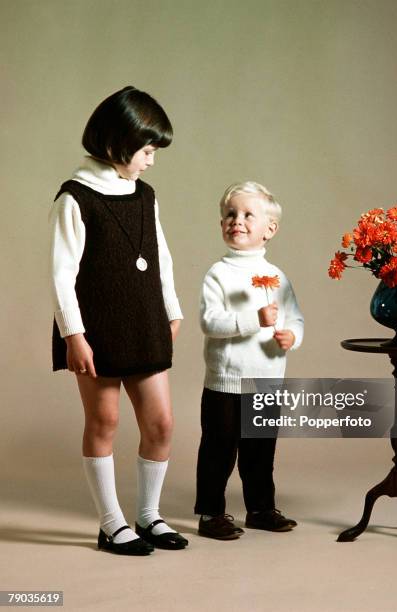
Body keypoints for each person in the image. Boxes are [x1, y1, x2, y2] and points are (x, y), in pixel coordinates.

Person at [49, 86, 188, 555]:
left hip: (146, 321)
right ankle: (111, 523)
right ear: (117, 143)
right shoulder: (76, 197)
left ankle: (148, 516)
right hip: (96, 330)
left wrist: (172, 310)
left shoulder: (145, 194)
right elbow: (61, 275)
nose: (151, 160)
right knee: (104, 420)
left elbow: (161, 258)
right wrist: (74, 335)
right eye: (147, 150)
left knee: (162, 424)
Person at [195, 181, 304, 540]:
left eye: (247, 215)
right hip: (226, 380)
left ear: (270, 229)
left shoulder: (278, 277)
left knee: (260, 450)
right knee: (219, 449)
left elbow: (295, 318)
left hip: (266, 378)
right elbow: (210, 322)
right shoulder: (219, 274)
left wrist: (292, 336)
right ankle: (211, 513)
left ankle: (260, 508)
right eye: (229, 214)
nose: (236, 221)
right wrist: (253, 320)